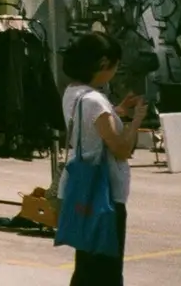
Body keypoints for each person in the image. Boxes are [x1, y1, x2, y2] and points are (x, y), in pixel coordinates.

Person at [60, 32, 145, 286]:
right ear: (104, 63)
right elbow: (121, 149)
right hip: (106, 195)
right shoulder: (96, 101)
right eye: (115, 66)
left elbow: (90, 124)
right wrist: (136, 120)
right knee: (107, 272)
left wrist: (117, 110)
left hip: (82, 189)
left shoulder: (73, 93)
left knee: (86, 266)